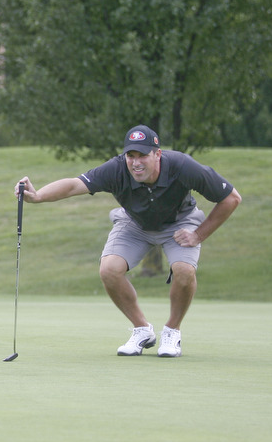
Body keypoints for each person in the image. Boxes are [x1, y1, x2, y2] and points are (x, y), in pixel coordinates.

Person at [15, 125, 242, 357]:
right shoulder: (116, 169)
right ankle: (142, 329)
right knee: (109, 269)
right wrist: (39, 196)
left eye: (143, 155)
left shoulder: (182, 166)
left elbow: (231, 198)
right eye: (130, 156)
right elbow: (75, 185)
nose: (136, 162)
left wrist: (198, 234)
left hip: (179, 222)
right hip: (134, 223)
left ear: (157, 154)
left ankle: (172, 331)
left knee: (184, 270)